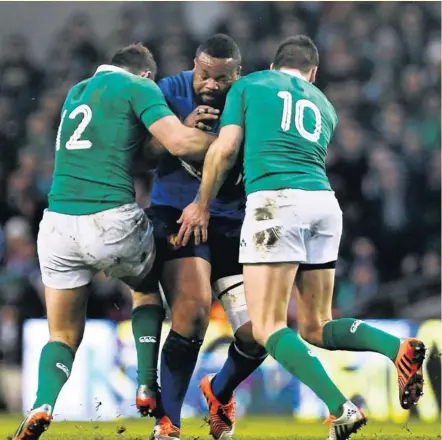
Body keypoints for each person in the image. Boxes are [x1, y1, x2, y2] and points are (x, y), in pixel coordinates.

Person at [177, 35, 426, 440]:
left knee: (268, 327)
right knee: (316, 325)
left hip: (276, 203)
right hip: (324, 205)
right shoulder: (324, 106)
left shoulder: (250, 85)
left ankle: (340, 408)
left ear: (275, 65)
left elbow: (225, 149)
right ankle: (395, 347)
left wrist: (203, 202)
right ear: (313, 73)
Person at [13, 43, 215, 440]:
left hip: (57, 225)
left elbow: (133, 150)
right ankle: (146, 384)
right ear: (144, 75)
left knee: (63, 335)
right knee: (145, 286)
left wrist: (177, 127)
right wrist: (230, 146)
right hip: (110, 219)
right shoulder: (140, 88)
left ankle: (42, 403)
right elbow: (179, 144)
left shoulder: (78, 91)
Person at [136, 34, 267, 440]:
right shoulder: (167, 91)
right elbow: (141, 155)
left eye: (222, 78)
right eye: (205, 74)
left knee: (259, 333)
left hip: (233, 222)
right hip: (177, 215)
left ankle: (219, 390)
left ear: (237, 74)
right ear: (195, 63)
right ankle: (168, 421)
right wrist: (174, 135)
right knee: (192, 314)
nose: (211, 85)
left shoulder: (249, 98)